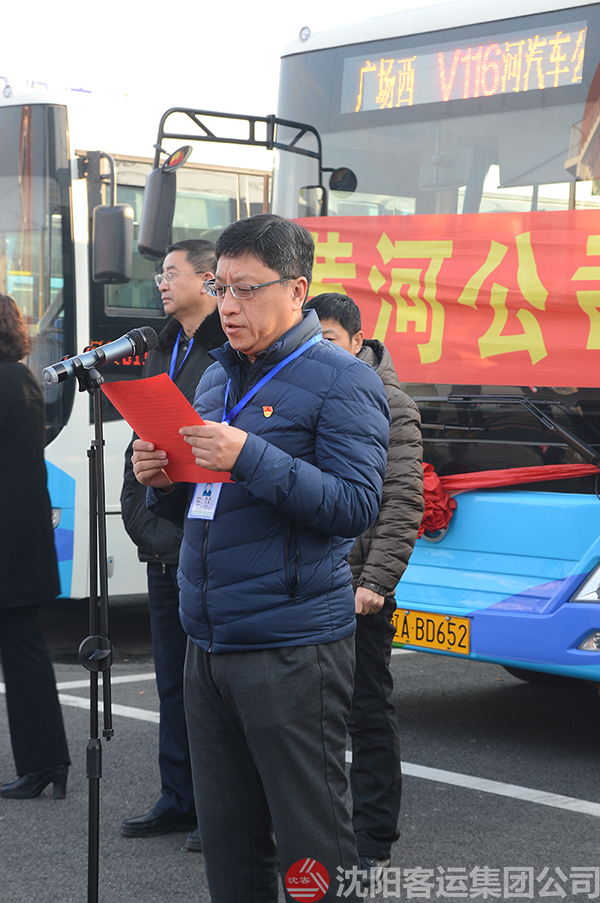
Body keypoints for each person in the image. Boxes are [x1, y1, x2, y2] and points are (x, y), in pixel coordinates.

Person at [131, 214, 390, 902]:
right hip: (208, 638)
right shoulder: (217, 377)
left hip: (291, 644)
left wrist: (249, 455)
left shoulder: (342, 380)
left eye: (246, 289)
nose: (229, 305)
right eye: (221, 288)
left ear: (297, 290)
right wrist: (164, 481)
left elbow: (355, 506)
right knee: (230, 840)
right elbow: (204, 502)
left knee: (312, 845)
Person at [304, 292, 424, 883]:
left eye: (328, 339)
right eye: (311, 339)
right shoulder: (304, 389)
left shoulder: (391, 402)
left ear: (357, 341)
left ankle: (374, 837)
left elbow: (402, 500)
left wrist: (376, 580)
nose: (318, 349)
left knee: (367, 713)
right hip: (309, 580)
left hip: (359, 589)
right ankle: (324, 831)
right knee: (310, 718)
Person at [120, 240, 225, 848]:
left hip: (204, 537)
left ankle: (218, 809)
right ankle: (177, 797)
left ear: (209, 280)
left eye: (171, 273)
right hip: (162, 538)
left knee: (212, 684)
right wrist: (141, 514)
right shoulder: (160, 347)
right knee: (170, 679)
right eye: (159, 274)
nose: (161, 282)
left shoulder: (225, 348)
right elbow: (144, 439)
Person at [0, 293, 71, 799]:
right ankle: (46, 762)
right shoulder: (20, 379)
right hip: (20, 541)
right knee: (25, 652)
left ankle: (45, 762)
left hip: (8, 544)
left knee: (24, 655)